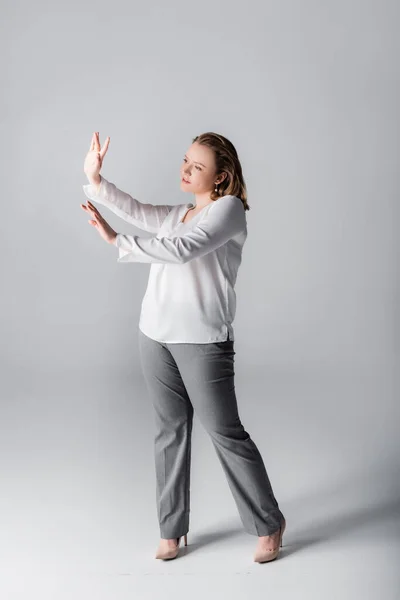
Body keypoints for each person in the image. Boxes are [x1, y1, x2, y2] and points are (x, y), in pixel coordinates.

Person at [81, 131, 286, 563]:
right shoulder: (181, 213)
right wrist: (96, 181)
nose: (186, 169)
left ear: (220, 177)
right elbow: (139, 210)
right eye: (185, 160)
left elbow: (182, 250)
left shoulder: (227, 211)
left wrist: (117, 241)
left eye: (197, 166)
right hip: (154, 335)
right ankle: (172, 529)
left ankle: (269, 523)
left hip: (202, 340)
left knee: (225, 434)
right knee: (169, 432)